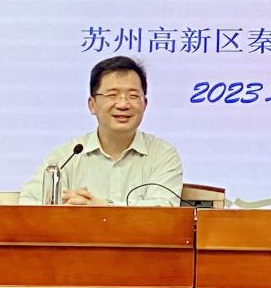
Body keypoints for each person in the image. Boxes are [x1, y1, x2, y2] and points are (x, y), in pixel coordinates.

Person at [19, 56, 183, 206]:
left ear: (145, 104)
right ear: (92, 105)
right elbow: (28, 202)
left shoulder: (163, 155)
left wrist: (103, 206)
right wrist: (67, 207)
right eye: (112, 95)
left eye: (133, 96)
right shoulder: (67, 155)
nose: (123, 104)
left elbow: (164, 210)